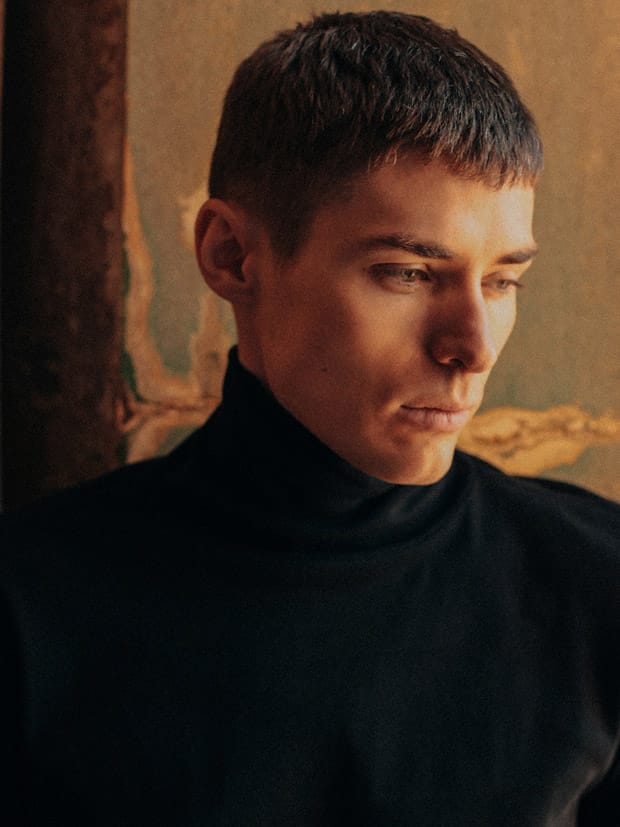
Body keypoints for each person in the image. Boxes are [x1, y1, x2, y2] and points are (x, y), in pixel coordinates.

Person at [1, 10, 619, 825]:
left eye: (503, 280)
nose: (472, 347)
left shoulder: (596, 579)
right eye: (407, 272)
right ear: (231, 256)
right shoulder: (29, 607)